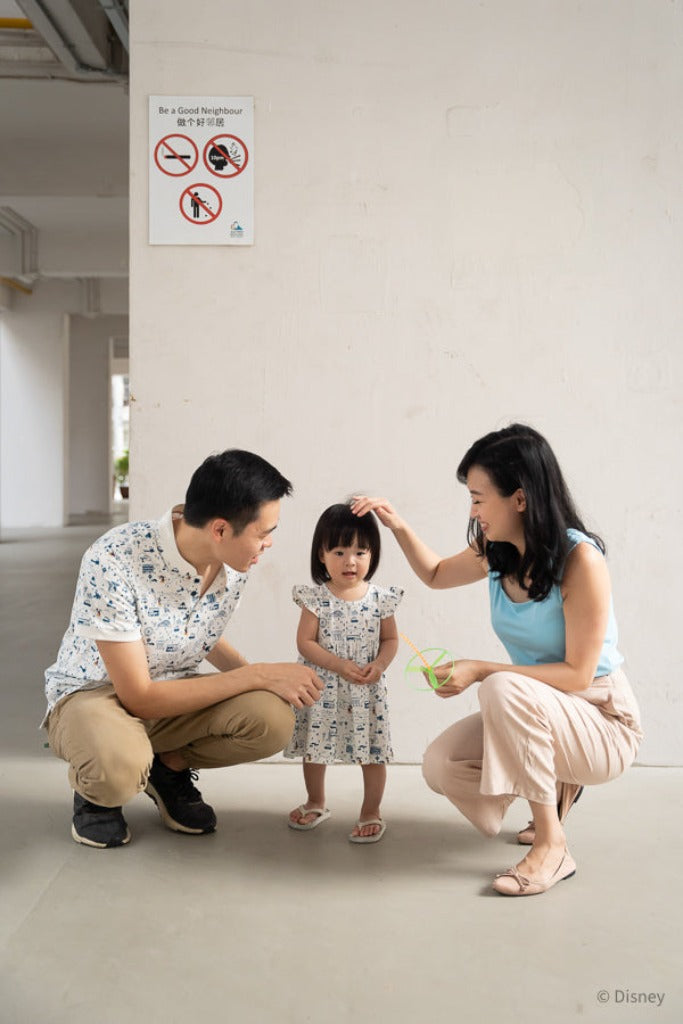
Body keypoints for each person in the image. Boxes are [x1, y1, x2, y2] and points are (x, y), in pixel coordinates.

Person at [352, 424, 643, 894]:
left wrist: (479, 669)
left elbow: (578, 673)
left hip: (601, 717)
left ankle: (552, 846)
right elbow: (435, 573)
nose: (473, 510)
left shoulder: (580, 561)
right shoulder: (497, 552)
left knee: (501, 687)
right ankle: (553, 785)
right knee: (440, 765)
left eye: (479, 498)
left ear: (520, 499)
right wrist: (397, 524)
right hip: (538, 710)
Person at [44, 449, 323, 849]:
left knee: (273, 718)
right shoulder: (114, 558)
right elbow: (137, 696)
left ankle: (166, 768)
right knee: (119, 767)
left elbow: (198, 631)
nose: (269, 544)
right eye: (263, 533)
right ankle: (97, 796)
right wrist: (258, 674)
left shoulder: (233, 567)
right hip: (94, 693)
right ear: (221, 530)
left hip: (172, 691)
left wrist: (265, 685)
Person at [285, 503, 403, 843]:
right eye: (339, 551)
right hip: (322, 687)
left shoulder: (381, 599)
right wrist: (337, 665)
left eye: (360, 551)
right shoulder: (315, 599)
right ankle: (316, 801)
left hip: (365, 689)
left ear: (372, 554)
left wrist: (379, 665)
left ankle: (371, 810)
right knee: (315, 746)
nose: (350, 561)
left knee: (372, 750)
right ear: (321, 555)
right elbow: (305, 642)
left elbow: (391, 639)